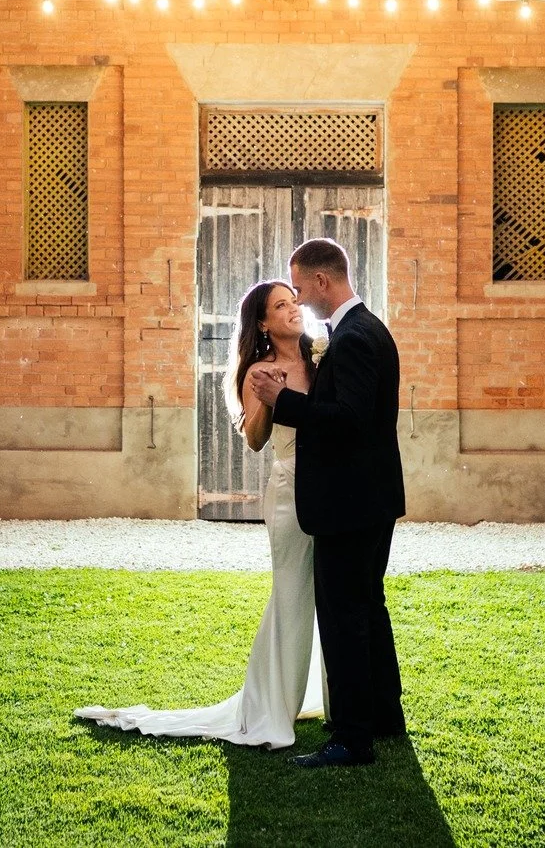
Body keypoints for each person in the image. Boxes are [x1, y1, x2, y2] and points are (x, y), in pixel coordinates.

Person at [74, 280, 328, 748]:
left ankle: (325, 695)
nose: (293, 309)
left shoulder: (320, 356)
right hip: (291, 490)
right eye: (280, 305)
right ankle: (271, 706)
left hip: (329, 488)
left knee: (327, 592)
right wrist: (272, 400)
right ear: (263, 323)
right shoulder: (259, 371)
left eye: (294, 302)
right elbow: (253, 439)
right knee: (291, 591)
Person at [249, 237, 406, 768]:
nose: (298, 297)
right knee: (368, 608)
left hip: (350, 502)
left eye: (299, 285)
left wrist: (284, 402)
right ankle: (384, 716)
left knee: (343, 615)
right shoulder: (363, 329)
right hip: (368, 498)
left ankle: (351, 738)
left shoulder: (356, 337)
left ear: (321, 281)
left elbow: (351, 420)